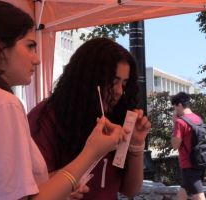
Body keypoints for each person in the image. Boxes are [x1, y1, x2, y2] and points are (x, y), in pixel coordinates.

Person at [0, 1, 126, 200]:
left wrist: (60, 185)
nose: (37, 59)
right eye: (30, 46)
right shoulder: (0, 104)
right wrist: (92, 152)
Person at [28, 38, 151, 199]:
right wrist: (67, 184)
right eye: (113, 82)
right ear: (88, 80)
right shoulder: (47, 116)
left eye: (124, 83)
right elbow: (30, 186)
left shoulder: (116, 120)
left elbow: (130, 190)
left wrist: (136, 145)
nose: (119, 91)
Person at [171, 92, 206, 200]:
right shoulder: (198, 118)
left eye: (175, 107)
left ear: (180, 105)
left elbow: (175, 145)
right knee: (183, 191)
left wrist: (174, 123)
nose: (175, 110)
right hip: (201, 161)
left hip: (189, 164)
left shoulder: (180, 122)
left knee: (199, 196)